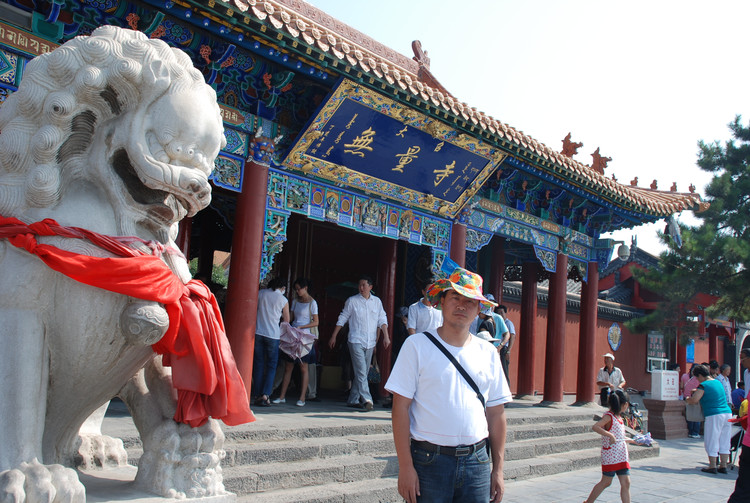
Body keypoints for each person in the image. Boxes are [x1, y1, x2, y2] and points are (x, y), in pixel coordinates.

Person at [385, 267, 512, 503]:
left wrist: (498, 469)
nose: (462, 306)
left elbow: (496, 414)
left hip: (478, 462)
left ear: (478, 310)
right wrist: (405, 466)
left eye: (470, 301)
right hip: (429, 460)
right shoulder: (417, 345)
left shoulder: (488, 353)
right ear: (442, 301)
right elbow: (400, 408)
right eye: (455, 297)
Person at [329, 275, 390, 411]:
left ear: (370, 287)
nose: (361, 288)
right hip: (355, 339)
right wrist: (334, 335)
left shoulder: (377, 302)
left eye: (364, 285)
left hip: (370, 341)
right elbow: (343, 317)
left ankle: (353, 399)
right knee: (362, 370)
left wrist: (386, 336)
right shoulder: (352, 301)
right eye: (360, 285)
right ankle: (367, 399)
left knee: (361, 372)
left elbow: (382, 319)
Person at [583, 389, 636, 503]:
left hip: (621, 455)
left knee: (626, 482)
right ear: (624, 404)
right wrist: (609, 435)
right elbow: (596, 427)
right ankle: (588, 502)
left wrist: (634, 441)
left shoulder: (619, 418)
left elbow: (620, 437)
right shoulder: (609, 417)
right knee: (606, 482)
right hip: (611, 456)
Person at [273, 277, 318, 407]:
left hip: (305, 337)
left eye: (299, 289)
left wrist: (301, 327)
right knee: (288, 366)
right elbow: (291, 317)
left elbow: (316, 322)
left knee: (303, 367)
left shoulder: (312, 303)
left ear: (306, 288)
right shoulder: (295, 302)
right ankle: (282, 396)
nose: (298, 291)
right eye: (296, 289)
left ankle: (302, 397)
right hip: (294, 335)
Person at [686, 364, 732, 474]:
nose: (697, 380)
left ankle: (712, 465)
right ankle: (723, 465)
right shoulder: (718, 382)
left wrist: (688, 399)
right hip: (727, 413)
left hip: (714, 414)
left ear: (701, 375)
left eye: (697, 377)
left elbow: (694, 400)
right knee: (724, 440)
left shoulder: (703, 385)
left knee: (712, 439)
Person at [252, 277, 290, 407]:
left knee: (258, 364)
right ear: (283, 288)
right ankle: (265, 394)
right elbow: (287, 320)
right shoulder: (283, 300)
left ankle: (256, 394)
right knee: (272, 365)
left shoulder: (261, 293)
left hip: (258, 332)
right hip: (273, 335)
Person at [497, 304, 516, 384]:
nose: (500, 315)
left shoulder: (508, 323)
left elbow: (512, 336)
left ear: (505, 313)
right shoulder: (497, 322)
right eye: (498, 313)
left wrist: (508, 351)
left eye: (502, 313)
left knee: (504, 371)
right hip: (497, 348)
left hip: (504, 349)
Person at [684, 364, 703, 438]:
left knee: (690, 415)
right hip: (696, 398)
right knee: (696, 416)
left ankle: (691, 431)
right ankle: (695, 432)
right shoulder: (697, 379)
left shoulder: (686, 376)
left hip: (687, 398)